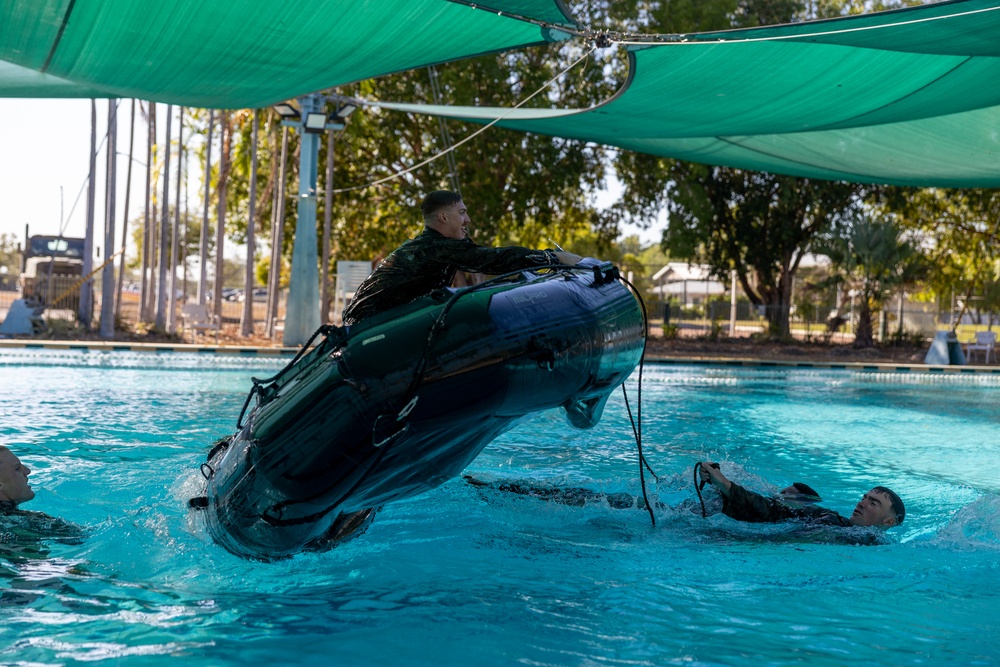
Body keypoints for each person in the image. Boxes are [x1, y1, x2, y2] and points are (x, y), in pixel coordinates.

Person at [342, 190, 583, 325]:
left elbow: (483, 254)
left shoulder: (441, 245)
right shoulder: (434, 247)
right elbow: (492, 259)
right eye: (462, 213)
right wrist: (551, 257)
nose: (467, 220)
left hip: (374, 320)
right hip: (365, 323)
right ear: (443, 219)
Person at [698, 462, 904, 529]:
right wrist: (725, 485)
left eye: (873, 502)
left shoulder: (844, 530)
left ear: (888, 521)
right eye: (864, 497)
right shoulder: (831, 519)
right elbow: (776, 511)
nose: (862, 503)